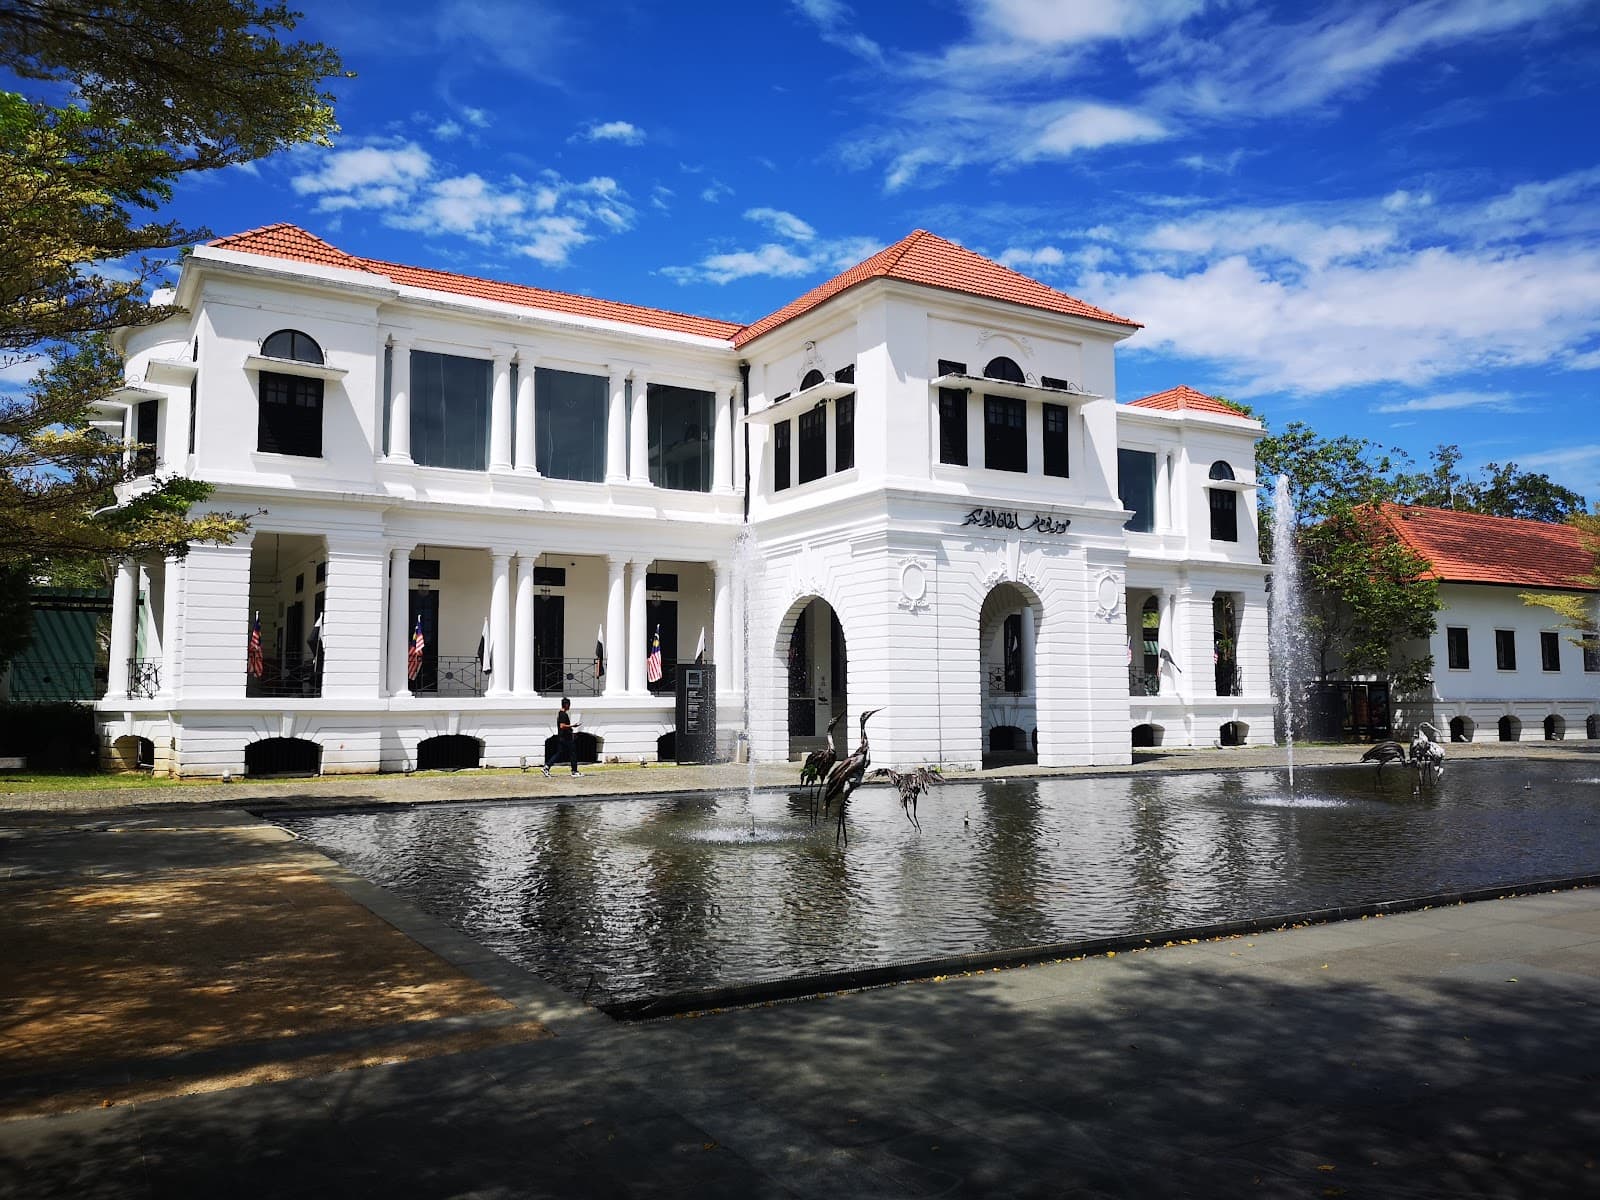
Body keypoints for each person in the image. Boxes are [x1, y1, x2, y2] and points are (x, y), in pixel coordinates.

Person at [542, 696, 582, 777]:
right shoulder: (563, 714)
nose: (570, 706)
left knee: (559, 753)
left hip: (562, 737)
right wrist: (572, 726)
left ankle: (547, 766)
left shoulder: (560, 713)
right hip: (566, 738)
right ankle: (574, 771)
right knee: (573, 753)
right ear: (566, 705)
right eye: (569, 704)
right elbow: (562, 726)